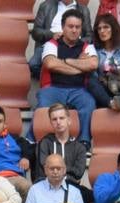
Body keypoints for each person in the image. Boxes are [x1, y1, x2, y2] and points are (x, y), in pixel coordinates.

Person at [40, 11, 101, 140]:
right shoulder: (52, 44)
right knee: (43, 105)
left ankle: (84, 142)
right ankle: (41, 141)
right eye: (70, 26)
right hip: (53, 87)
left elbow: (92, 64)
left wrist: (66, 61)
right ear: (63, 27)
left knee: (89, 104)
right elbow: (50, 64)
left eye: (77, 27)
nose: (74, 30)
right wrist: (79, 65)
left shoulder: (87, 46)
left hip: (79, 89)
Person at [31, 103, 90, 185]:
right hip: (47, 187)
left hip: (70, 187)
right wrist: (69, 170)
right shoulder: (44, 143)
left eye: (61, 118)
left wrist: (55, 168)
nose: (58, 122)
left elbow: (78, 173)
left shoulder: (79, 147)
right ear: (51, 122)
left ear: (69, 121)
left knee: (88, 195)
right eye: (54, 119)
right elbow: (44, 168)